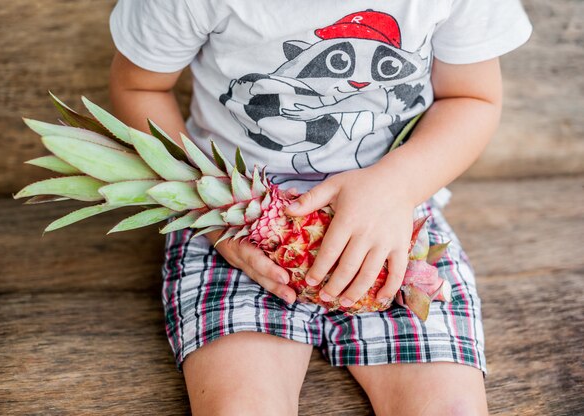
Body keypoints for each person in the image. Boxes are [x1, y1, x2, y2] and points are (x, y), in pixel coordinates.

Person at [108, 1, 532, 414]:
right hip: (236, 227)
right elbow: (140, 85)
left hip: (398, 217)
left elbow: (471, 98)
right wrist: (214, 219)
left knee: (449, 407)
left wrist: (396, 186)